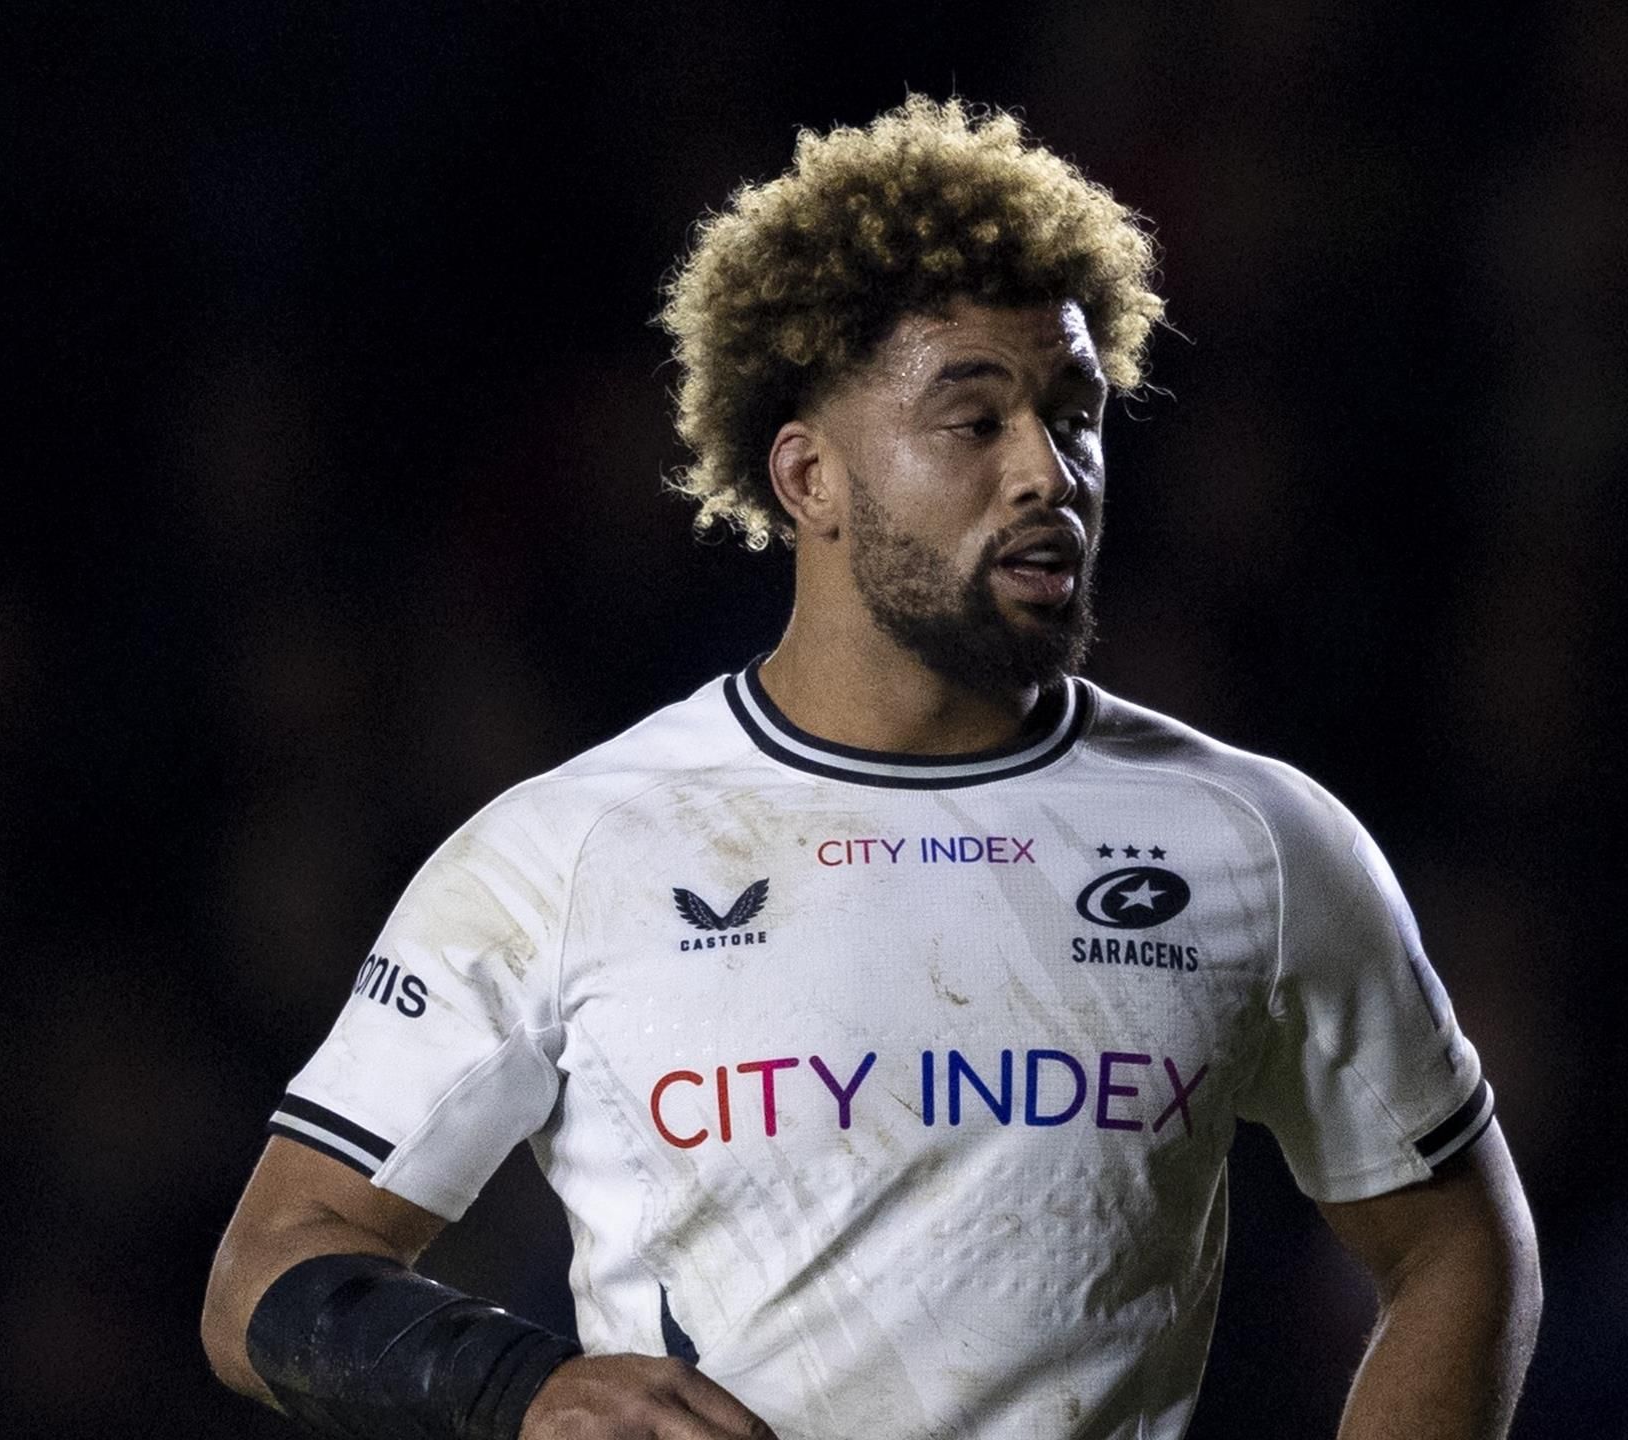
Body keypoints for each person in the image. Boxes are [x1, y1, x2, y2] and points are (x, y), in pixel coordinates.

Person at [201, 95, 1540, 1440]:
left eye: (1074, 415)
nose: (1050, 472)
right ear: (809, 478)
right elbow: (268, 1270)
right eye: (975, 420)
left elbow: (1456, 1246)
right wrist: (525, 1386)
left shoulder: (1253, 839)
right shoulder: (568, 851)